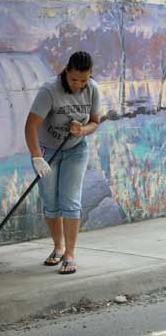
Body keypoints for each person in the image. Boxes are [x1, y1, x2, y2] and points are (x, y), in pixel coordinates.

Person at [24, 51, 101, 275]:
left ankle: (70, 253)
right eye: (74, 79)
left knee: (70, 201)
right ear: (66, 71)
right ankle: (57, 247)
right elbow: (30, 126)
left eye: (84, 80)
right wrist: (37, 157)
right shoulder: (50, 90)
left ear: (90, 76)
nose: (78, 85)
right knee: (51, 201)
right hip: (47, 151)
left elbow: (95, 121)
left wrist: (82, 129)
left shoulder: (93, 89)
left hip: (76, 149)